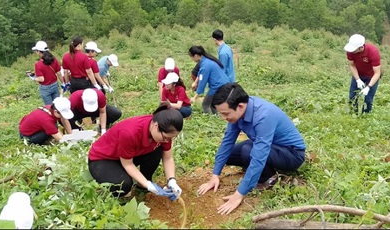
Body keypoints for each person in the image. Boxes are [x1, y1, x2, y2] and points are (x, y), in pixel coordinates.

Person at [198, 83, 306, 215]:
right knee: (230, 154)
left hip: (291, 154)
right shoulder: (239, 112)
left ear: (240, 106)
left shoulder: (263, 116)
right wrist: (215, 175)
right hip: (268, 146)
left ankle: (268, 178)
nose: (224, 118)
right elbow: (227, 141)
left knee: (249, 151)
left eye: (226, 114)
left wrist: (238, 194)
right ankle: (255, 170)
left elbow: (259, 157)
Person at [88, 104, 183, 200]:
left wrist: (172, 180)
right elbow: (128, 164)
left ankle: (142, 184)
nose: (167, 141)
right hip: (104, 159)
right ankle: (129, 185)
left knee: (157, 150)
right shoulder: (130, 133)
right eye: (166, 138)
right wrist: (148, 185)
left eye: (171, 138)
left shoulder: (164, 131)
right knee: (123, 185)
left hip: (128, 155)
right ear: (156, 126)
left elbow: (168, 157)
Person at [344, 34, 381, 113]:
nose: (352, 51)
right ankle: (354, 114)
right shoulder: (350, 52)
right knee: (352, 97)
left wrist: (368, 87)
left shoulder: (373, 52)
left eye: (354, 49)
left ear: (361, 47)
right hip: (358, 74)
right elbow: (352, 65)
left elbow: (377, 73)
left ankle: (366, 116)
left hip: (372, 77)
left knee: (368, 100)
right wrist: (357, 79)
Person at [188, 46, 230, 114]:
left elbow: (202, 83)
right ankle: (216, 118)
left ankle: (210, 119)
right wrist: (195, 82)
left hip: (218, 87)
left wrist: (195, 97)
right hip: (223, 83)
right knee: (213, 104)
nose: (191, 59)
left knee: (205, 104)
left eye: (191, 56)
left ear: (195, 56)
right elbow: (200, 73)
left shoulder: (205, 65)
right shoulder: (206, 60)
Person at [31, 41, 65, 105]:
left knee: (49, 107)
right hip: (55, 85)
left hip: (45, 88)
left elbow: (41, 79)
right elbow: (59, 73)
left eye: (36, 51)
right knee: (57, 105)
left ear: (39, 52)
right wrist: (63, 83)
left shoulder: (38, 64)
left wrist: (34, 78)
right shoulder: (54, 60)